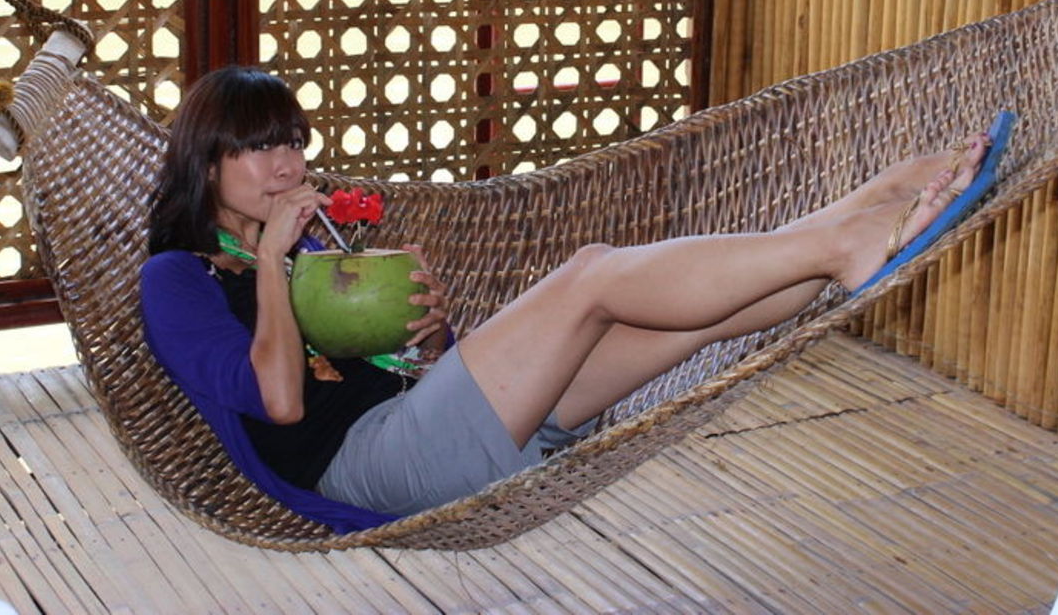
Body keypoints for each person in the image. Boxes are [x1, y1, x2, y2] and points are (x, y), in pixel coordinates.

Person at [140, 66, 990, 533]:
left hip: (439, 425)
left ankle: (860, 213)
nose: (286, 165)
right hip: (369, 467)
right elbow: (283, 402)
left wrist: (429, 336)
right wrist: (275, 269)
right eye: (256, 150)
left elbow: (399, 372)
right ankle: (847, 238)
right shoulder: (178, 277)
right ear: (207, 163)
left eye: (291, 141)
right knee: (591, 274)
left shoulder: (326, 248)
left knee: (690, 321)